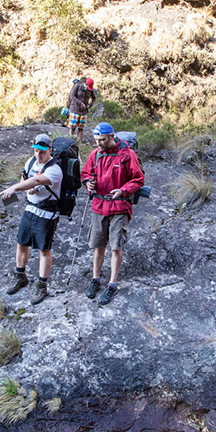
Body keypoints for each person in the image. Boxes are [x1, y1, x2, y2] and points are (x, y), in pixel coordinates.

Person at [80, 122, 145, 306]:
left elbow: (138, 179)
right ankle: (95, 279)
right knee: (98, 245)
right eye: (96, 140)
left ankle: (112, 284)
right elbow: (85, 173)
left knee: (115, 246)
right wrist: (88, 183)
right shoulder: (96, 154)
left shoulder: (127, 154)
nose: (98, 144)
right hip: (99, 205)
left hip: (120, 206)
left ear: (111, 137)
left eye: (102, 140)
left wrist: (123, 190)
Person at [0, 134, 64, 305]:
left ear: (50, 150)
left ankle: (42, 285)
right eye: (36, 151)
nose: (38, 155)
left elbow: (36, 180)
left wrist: (14, 188)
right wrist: (26, 188)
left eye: (42, 152)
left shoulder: (55, 169)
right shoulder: (30, 161)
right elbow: (26, 177)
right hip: (30, 209)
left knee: (43, 249)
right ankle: (21, 276)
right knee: (21, 243)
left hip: (47, 213)